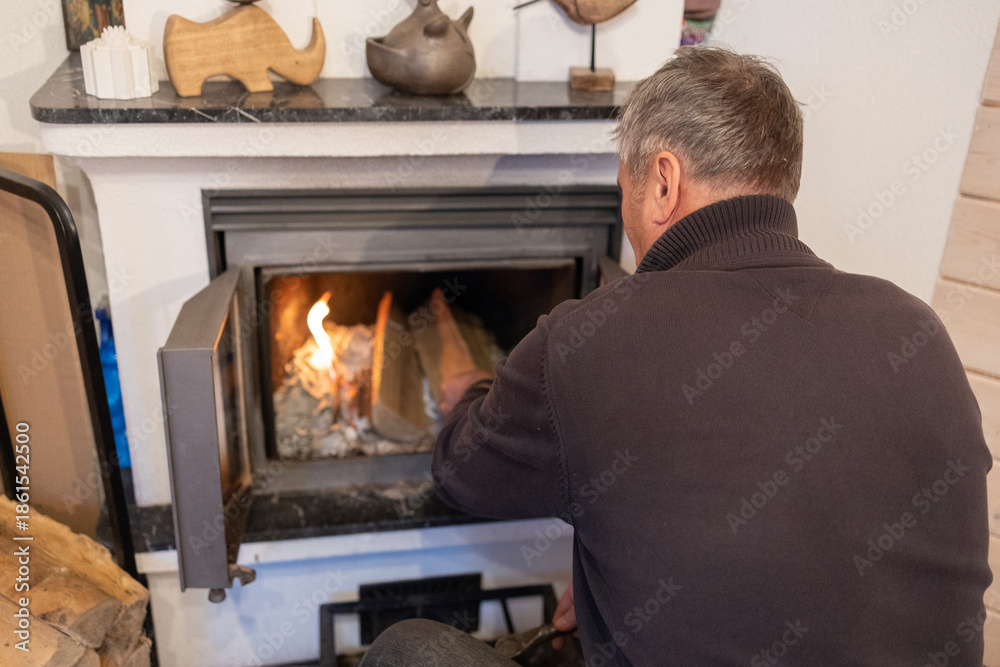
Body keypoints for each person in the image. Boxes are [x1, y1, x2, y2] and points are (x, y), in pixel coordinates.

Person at [361, 46, 992, 666]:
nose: (626, 218)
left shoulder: (593, 342)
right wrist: (631, 582)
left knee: (406, 650)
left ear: (663, 181)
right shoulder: (917, 330)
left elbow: (463, 475)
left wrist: (468, 391)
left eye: (623, 191)